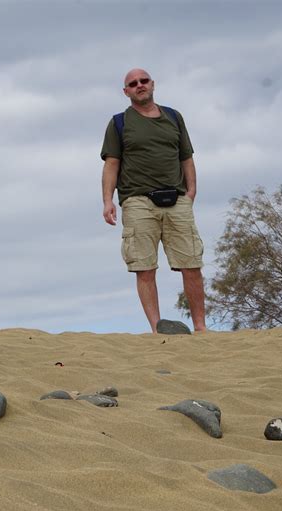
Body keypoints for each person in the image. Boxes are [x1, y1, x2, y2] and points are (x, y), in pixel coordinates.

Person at [101, 67, 206, 333]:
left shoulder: (173, 117)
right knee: (144, 268)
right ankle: (158, 330)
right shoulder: (119, 123)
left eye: (143, 81)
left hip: (177, 199)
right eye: (133, 83)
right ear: (126, 92)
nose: (139, 85)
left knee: (191, 264)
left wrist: (191, 191)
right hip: (138, 201)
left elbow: (186, 157)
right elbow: (111, 164)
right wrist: (107, 201)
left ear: (153, 84)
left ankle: (201, 329)